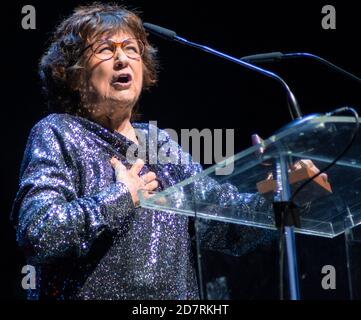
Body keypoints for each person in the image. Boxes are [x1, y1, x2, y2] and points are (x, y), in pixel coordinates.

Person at [12, 3, 325, 300]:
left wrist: (286, 195)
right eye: (107, 49)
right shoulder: (58, 132)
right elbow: (39, 232)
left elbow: (225, 226)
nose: (122, 59)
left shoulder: (158, 144)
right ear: (76, 74)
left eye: (131, 49)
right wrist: (120, 197)